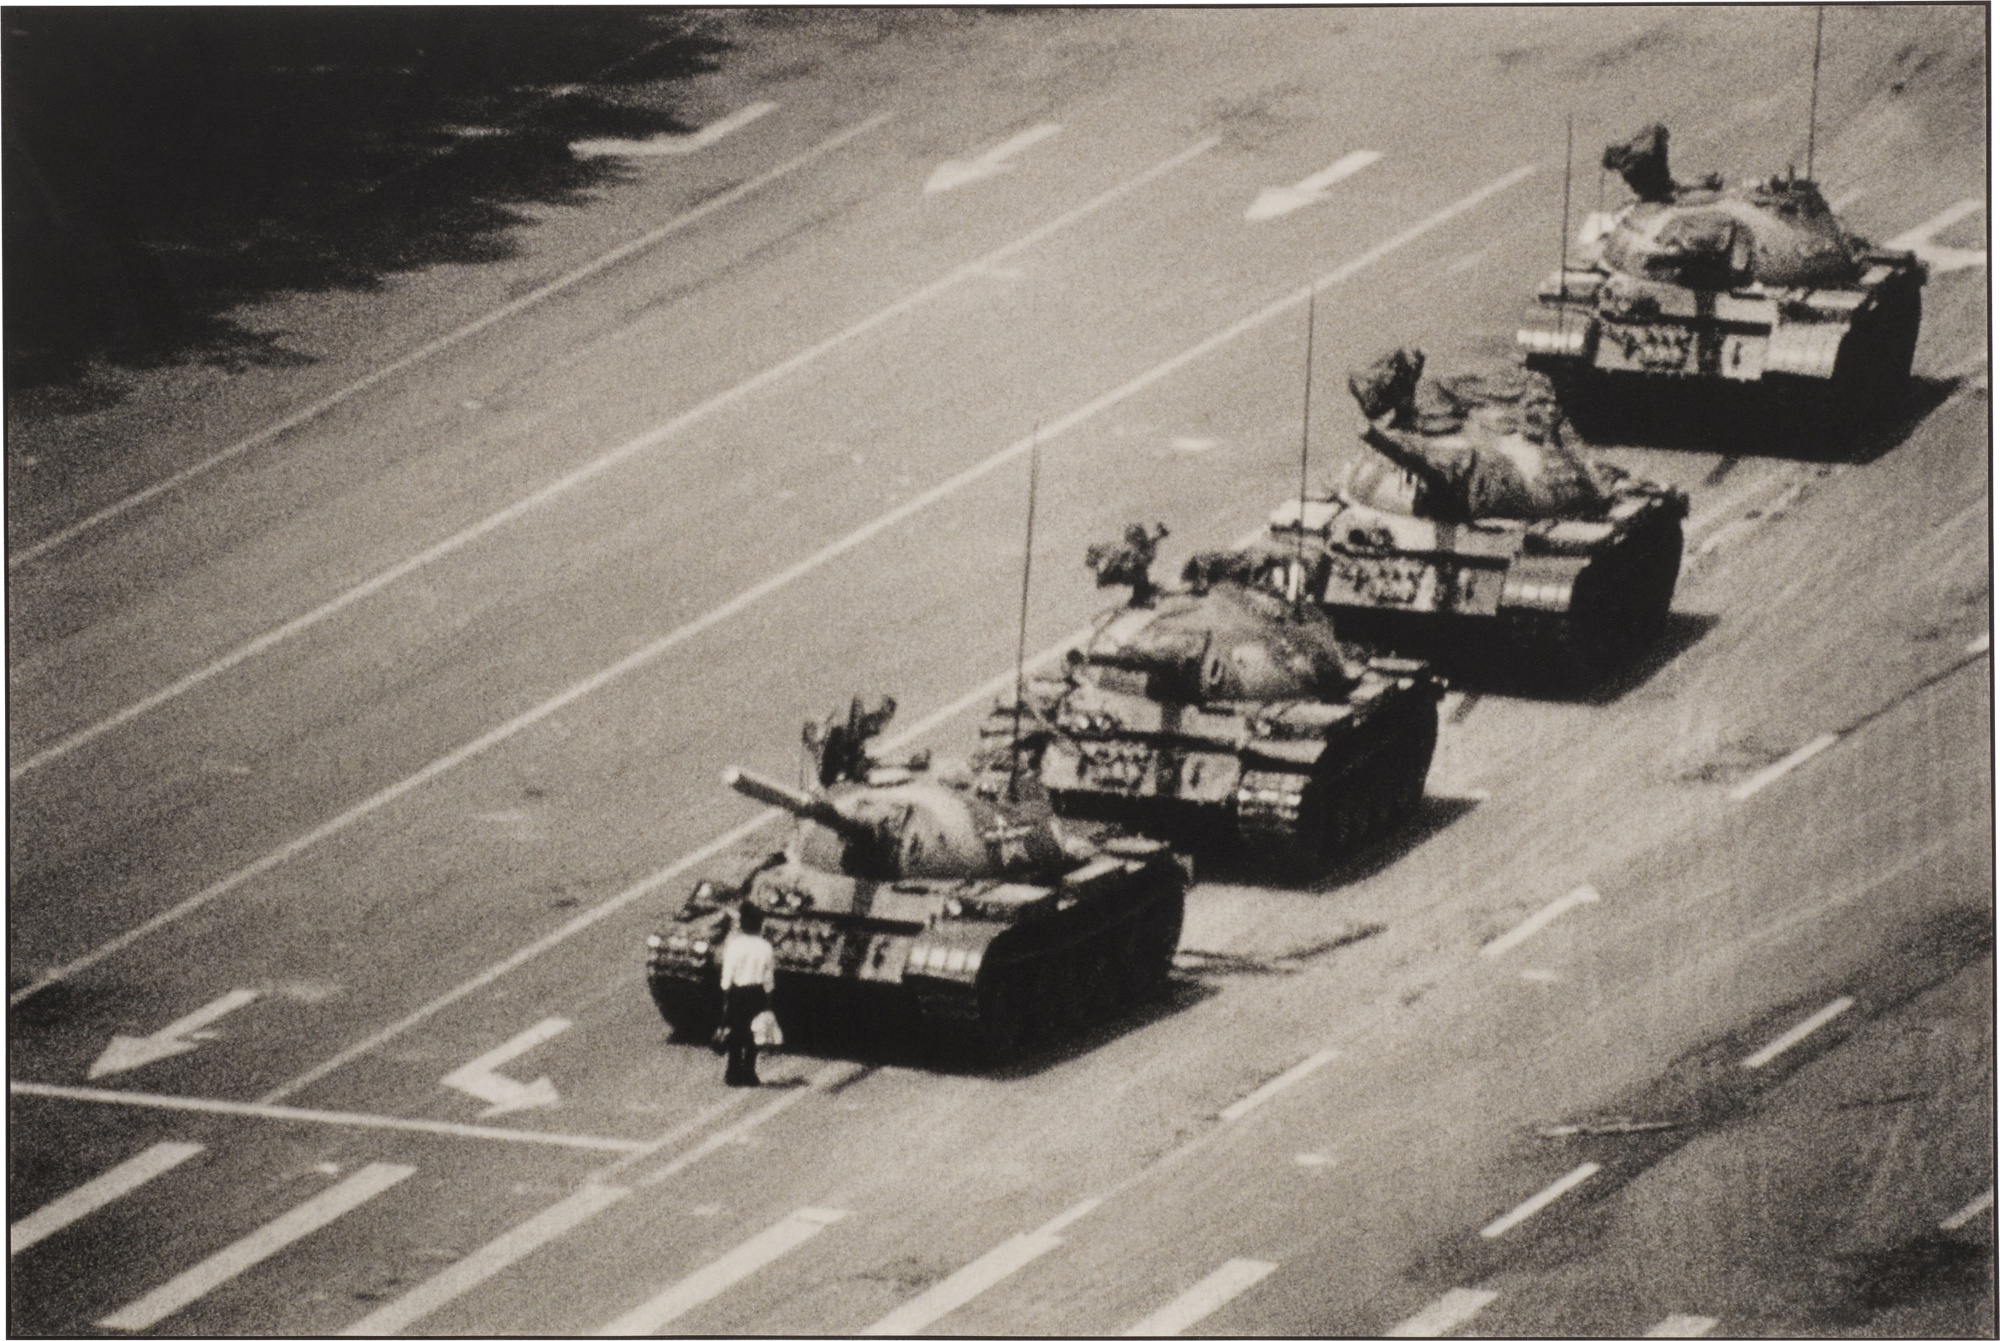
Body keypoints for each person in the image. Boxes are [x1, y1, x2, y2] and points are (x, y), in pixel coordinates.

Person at [718, 904, 776, 1086]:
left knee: (735, 1032)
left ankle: (732, 1072)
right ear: (760, 925)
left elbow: (727, 974)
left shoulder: (735, 946)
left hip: (737, 991)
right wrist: (768, 996)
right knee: (754, 1033)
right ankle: (749, 1072)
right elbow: (769, 977)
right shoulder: (766, 947)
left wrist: (727, 992)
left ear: (742, 925)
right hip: (757, 992)